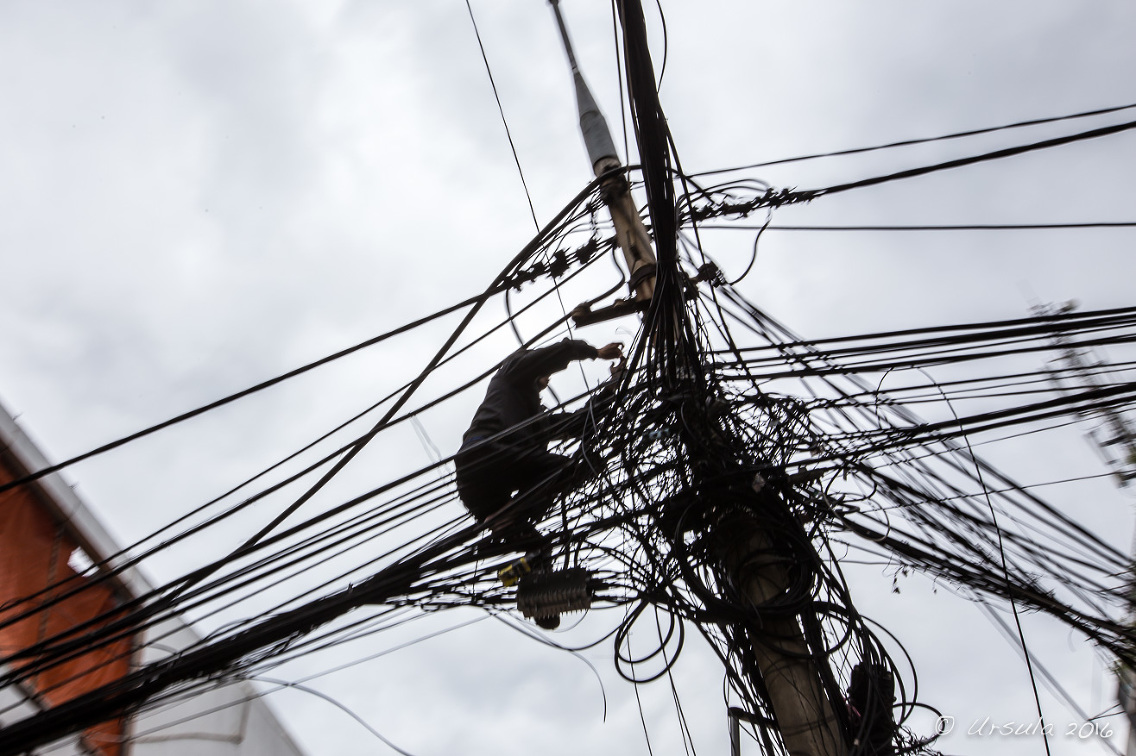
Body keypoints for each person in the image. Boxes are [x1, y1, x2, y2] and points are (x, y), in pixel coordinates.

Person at [455, 338, 623, 557]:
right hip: (485, 453)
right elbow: (558, 353)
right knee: (571, 467)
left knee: (539, 548)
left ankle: (529, 564)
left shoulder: (535, 421)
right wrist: (596, 352)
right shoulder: (508, 374)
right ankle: (509, 514)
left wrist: (611, 388)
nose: (548, 375)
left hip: (482, 491)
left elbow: (579, 422)